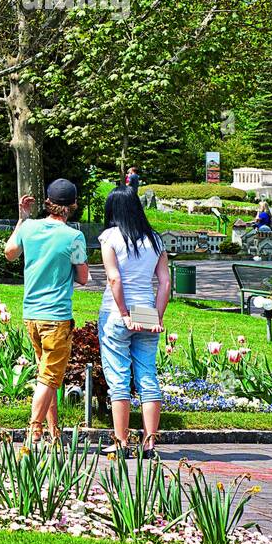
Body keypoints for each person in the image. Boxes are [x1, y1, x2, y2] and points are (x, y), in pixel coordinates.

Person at [5, 179, 89, 443]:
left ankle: (53, 432)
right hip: (57, 318)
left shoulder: (29, 227)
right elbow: (84, 277)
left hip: (31, 315)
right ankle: (33, 430)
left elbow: (9, 253)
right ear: (73, 205)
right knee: (49, 377)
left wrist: (22, 218)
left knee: (47, 376)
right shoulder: (74, 237)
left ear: (48, 203)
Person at [96, 185, 169, 456]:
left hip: (117, 311)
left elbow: (114, 278)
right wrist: (158, 316)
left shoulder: (110, 237)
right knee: (148, 375)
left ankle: (121, 442)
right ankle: (150, 443)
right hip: (147, 310)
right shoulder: (156, 239)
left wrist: (124, 313)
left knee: (119, 378)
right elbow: (164, 282)